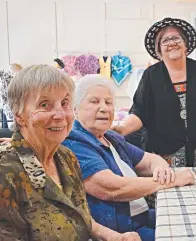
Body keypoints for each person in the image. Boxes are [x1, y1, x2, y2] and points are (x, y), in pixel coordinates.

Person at [0, 65, 140, 240]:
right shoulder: (5, 170)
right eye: (45, 105)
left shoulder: (66, 157)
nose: (60, 114)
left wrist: (115, 237)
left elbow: (79, 215)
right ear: (19, 115)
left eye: (65, 103)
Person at [62, 75, 195, 240]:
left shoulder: (110, 137)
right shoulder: (74, 143)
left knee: (191, 221)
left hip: (141, 215)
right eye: (94, 102)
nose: (104, 108)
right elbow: (112, 188)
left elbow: (149, 160)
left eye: (108, 102)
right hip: (122, 229)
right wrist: (171, 181)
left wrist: (160, 168)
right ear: (75, 110)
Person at [112, 17, 196, 167]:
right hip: (164, 155)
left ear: (185, 44)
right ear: (159, 50)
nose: (171, 43)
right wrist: (122, 129)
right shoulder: (151, 75)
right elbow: (140, 112)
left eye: (176, 38)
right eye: (165, 40)